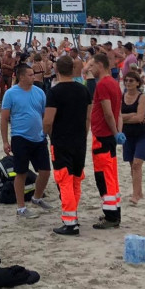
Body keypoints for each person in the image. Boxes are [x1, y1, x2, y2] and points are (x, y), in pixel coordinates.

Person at [43, 56, 91, 235]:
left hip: (61, 140)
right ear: (73, 70)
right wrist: (83, 134)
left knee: (64, 180)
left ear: (56, 70)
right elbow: (88, 118)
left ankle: (70, 221)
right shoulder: (83, 90)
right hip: (79, 140)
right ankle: (73, 216)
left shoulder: (55, 92)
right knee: (76, 179)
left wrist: (48, 134)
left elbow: (48, 120)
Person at [0, 64, 53, 219]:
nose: (33, 76)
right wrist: (5, 141)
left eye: (33, 74)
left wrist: (47, 133)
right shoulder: (10, 94)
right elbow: (4, 119)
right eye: (30, 74)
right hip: (19, 137)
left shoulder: (40, 92)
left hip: (39, 137)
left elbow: (44, 115)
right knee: (21, 173)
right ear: (21, 76)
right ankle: (21, 207)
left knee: (45, 171)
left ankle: (36, 198)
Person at [90, 53, 122, 229]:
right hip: (109, 136)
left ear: (100, 65)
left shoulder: (102, 85)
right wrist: (118, 132)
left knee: (103, 177)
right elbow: (117, 113)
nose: (91, 69)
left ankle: (111, 216)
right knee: (111, 175)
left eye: (93, 66)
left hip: (102, 136)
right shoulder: (114, 84)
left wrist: (115, 132)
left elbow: (108, 113)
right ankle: (114, 212)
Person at [120, 71, 145, 205]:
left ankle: (135, 195)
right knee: (133, 165)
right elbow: (116, 116)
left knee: (137, 164)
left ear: (138, 82)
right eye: (126, 80)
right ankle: (139, 192)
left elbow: (139, 118)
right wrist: (130, 115)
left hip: (141, 135)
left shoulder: (142, 97)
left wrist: (123, 118)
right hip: (127, 135)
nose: (128, 83)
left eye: (131, 81)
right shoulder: (121, 97)